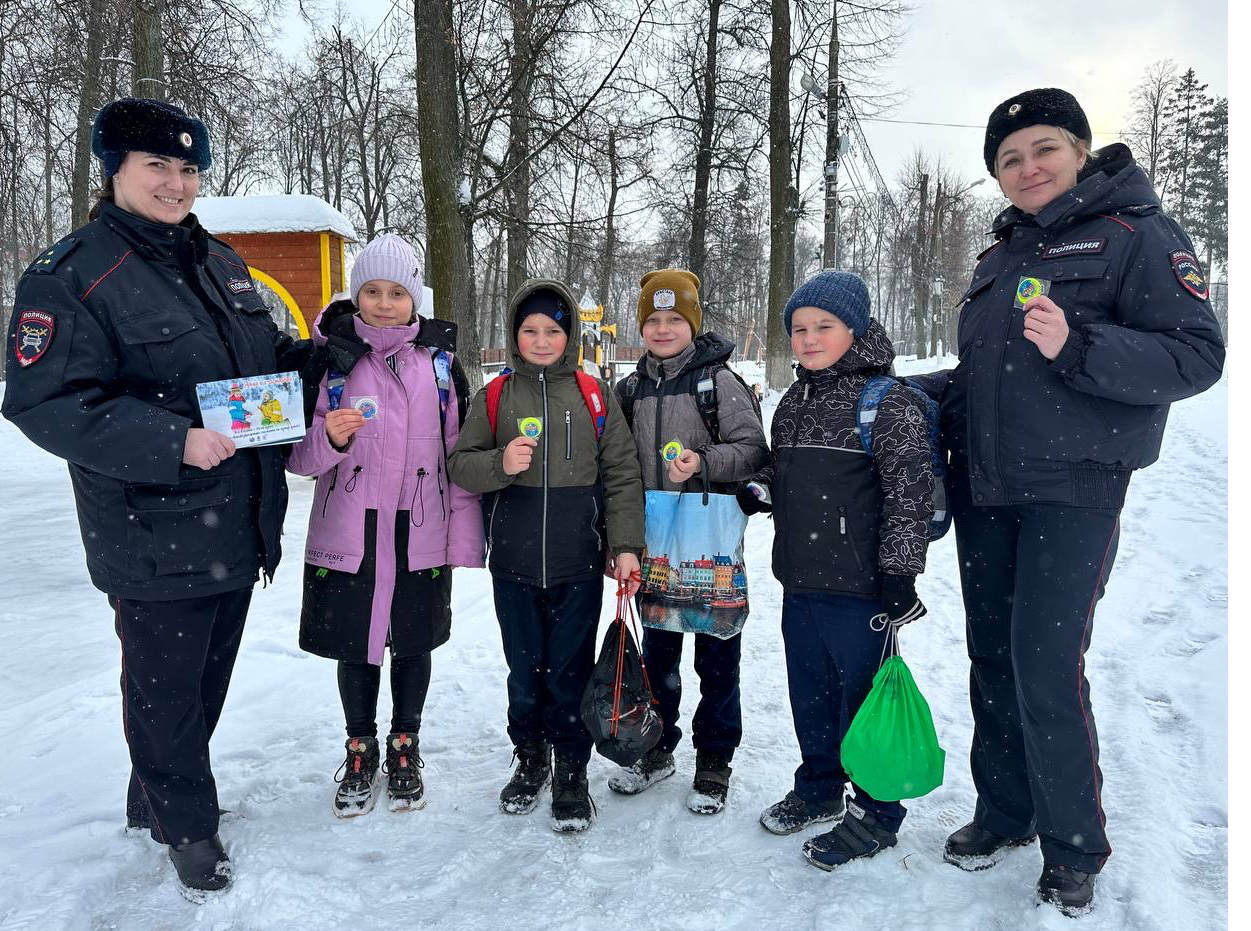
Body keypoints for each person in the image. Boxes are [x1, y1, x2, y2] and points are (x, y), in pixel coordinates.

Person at [912, 88, 1225, 916]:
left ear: (1080, 151)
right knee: (991, 660)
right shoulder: (998, 256)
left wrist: (1080, 343)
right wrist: (899, 395)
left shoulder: (1135, 235)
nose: (1027, 168)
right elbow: (986, 379)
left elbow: (1196, 355)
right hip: (986, 490)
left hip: (1072, 492)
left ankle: (1071, 843)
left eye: (1043, 149)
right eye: (1009, 159)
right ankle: (1005, 812)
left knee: (1045, 666)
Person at [2, 97, 317, 897]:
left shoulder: (216, 260)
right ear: (115, 172)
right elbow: (47, 401)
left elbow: (253, 362)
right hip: (153, 531)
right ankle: (186, 824)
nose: (176, 183)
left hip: (237, 521)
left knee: (202, 683)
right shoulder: (72, 274)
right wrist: (171, 439)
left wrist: (317, 354)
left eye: (187, 169)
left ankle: (155, 795)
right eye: (157, 167)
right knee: (166, 690)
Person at [739, 271, 934, 871]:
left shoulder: (887, 402)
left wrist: (899, 573)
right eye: (799, 328)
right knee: (811, 693)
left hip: (862, 590)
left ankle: (877, 811)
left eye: (824, 326)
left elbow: (910, 494)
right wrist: (761, 486)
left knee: (862, 701)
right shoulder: (795, 400)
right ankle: (820, 785)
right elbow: (784, 470)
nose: (809, 338)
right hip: (800, 579)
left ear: (855, 328)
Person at [286, 234, 484, 818]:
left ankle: (404, 744)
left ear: (415, 298)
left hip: (419, 527)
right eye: (371, 290)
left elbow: (458, 454)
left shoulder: (441, 365)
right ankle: (359, 746)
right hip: (353, 527)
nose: (383, 303)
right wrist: (330, 436)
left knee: (413, 641)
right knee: (358, 643)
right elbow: (296, 458)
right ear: (355, 294)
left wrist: (464, 537)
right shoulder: (331, 359)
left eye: (397, 292)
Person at [447, 279, 645, 833]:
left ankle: (571, 771)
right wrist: (500, 464)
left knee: (570, 672)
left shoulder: (593, 395)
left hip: (578, 562)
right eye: (529, 330)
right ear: (515, 335)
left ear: (570, 336)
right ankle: (531, 759)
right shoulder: (495, 396)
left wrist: (625, 546)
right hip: (511, 563)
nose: (540, 339)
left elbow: (622, 475)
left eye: (552, 330)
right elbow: (460, 464)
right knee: (524, 670)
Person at [605, 268, 768, 813]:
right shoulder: (628, 390)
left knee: (717, 656)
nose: (663, 328)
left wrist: (704, 462)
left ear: (693, 324)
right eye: (653, 319)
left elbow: (753, 450)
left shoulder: (718, 383)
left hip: (708, 537)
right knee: (658, 655)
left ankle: (715, 757)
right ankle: (657, 747)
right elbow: (615, 465)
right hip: (652, 542)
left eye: (675, 319)